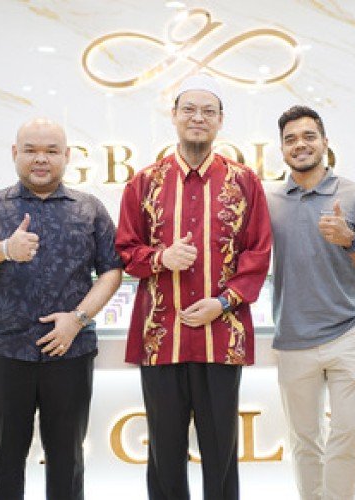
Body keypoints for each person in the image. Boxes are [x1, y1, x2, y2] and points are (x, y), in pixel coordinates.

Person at [115, 73, 272, 500]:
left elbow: (258, 253)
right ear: (174, 116)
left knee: (221, 453)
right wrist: (160, 258)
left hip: (222, 337)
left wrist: (222, 302)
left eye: (208, 111)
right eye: (189, 109)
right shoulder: (144, 182)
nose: (198, 118)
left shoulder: (244, 182)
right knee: (164, 454)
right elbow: (126, 250)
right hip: (160, 337)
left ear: (220, 120)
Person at [0, 118, 123, 500]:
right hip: (4, 350)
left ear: (67, 156)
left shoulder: (89, 208)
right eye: (31, 150)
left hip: (70, 350)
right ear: (16, 153)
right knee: (4, 459)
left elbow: (112, 270)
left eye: (51, 151)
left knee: (67, 459)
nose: (41, 159)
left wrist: (77, 320)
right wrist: (4, 249)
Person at [267, 105, 355, 500]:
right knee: (304, 442)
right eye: (290, 139)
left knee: (347, 436)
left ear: (324, 142)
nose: (300, 144)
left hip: (349, 335)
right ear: (282, 149)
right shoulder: (269, 200)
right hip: (292, 338)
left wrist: (350, 240)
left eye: (308, 136)